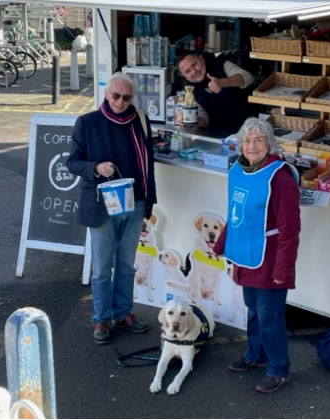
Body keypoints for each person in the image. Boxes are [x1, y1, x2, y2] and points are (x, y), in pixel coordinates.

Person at [67, 72, 157, 345]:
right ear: (106, 94)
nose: (120, 102)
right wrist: (95, 168)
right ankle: (102, 319)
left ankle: (124, 313)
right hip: (102, 204)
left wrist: (149, 201)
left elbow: (148, 165)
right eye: (115, 96)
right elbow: (72, 162)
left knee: (127, 265)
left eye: (126, 97)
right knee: (103, 267)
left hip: (134, 202)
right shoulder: (87, 122)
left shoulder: (140, 120)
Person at [213, 117, 301, 393]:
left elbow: (290, 230)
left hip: (270, 259)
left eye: (258, 140)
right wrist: (221, 244)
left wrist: (283, 269)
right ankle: (257, 354)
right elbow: (234, 214)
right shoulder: (238, 170)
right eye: (247, 140)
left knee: (270, 316)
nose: (251, 146)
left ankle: (279, 368)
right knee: (253, 309)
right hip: (246, 256)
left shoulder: (281, 178)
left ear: (269, 144)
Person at [176, 51, 255, 128]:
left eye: (194, 64)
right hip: (219, 133)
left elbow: (248, 77)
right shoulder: (188, 90)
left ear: (202, 59)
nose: (193, 71)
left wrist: (222, 82)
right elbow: (203, 115)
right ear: (184, 76)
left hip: (249, 126)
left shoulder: (220, 64)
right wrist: (195, 121)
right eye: (187, 71)